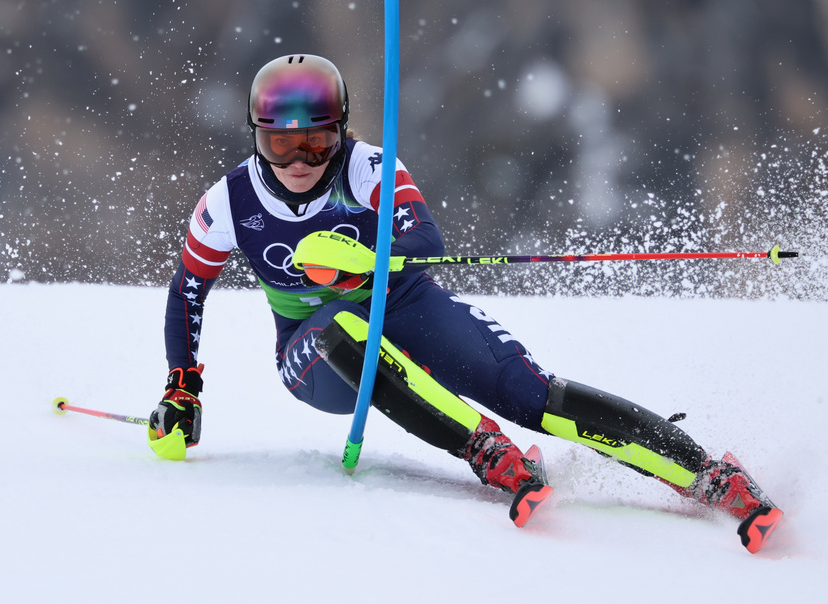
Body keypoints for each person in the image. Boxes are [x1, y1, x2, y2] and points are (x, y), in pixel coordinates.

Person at [148, 54, 782, 551]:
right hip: (314, 355)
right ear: (256, 138)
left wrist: (366, 258)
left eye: (315, 142)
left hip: (404, 302)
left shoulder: (368, 167)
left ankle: (707, 474)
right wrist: (183, 388)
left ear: (340, 132)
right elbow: (187, 290)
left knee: (529, 391)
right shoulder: (228, 202)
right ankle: (487, 452)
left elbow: (425, 239)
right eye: (279, 144)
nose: (298, 161)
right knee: (341, 324)